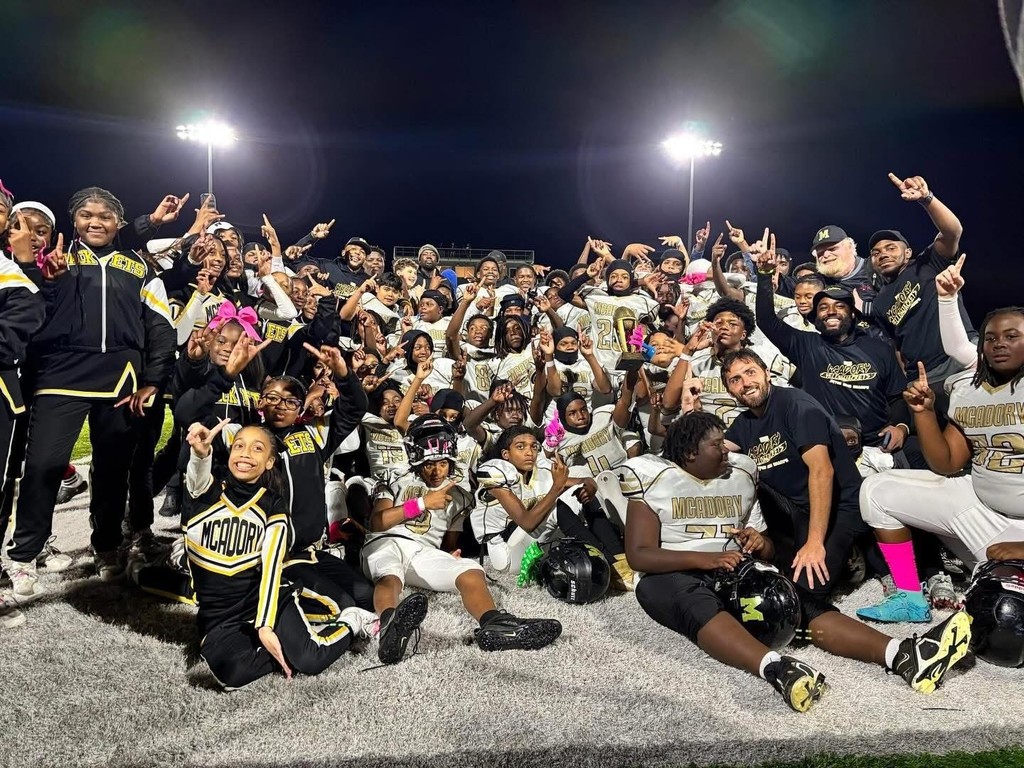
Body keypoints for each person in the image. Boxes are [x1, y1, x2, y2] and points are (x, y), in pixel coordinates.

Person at [719, 349, 973, 694]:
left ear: (766, 372)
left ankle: (906, 650)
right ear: (729, 389)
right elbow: (715, 451)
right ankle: (856, 563)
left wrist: (814, 543)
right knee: (782, 582)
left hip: (842, 506)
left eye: (750, 372)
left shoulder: (796, 404)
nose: (745, 382)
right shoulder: (744, 422)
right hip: (798, 514)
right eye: (735, 379)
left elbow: (821, 472)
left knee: (802, 595)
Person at [6, 187, 177, 592]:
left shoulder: (140, 267)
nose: (95, 222)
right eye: (86, 215)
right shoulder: (56, 257)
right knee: (45, 466)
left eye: (105, 215)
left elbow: (160, 328)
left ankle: (106, 544)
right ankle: (24, 554)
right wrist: (47, 280)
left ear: (118, 223)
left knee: (113, 471)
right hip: (59, 375)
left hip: (121, 380)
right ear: (75, 221)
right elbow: (33, 312)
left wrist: (153, 379)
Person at [622, 412, 830, 712]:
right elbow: (639, 554)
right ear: (691, 451)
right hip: (671, 572)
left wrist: (760, 543)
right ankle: (774, 667)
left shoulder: (740, 476)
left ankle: (896, 652)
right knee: (695, 602)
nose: (726, 451)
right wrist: (705, 560)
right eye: (717, 444)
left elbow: (769, 549)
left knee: (791, 600)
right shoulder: (653, 477)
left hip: (731, 567)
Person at [858, 306, 1024, 620]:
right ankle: (909, 597)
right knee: (876, 491)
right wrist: (923, 413)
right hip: (986, 514)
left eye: (1011, 336)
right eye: (991, 338)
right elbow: (947, 463)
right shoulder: (969, 391)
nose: (999, 344)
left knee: (1006, 631)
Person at [184, 419, 370, 689]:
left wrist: (265, 626)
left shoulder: (273, 504)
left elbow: (272, 567)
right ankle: (289, 641)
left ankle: (353, 621)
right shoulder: (206, 492)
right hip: (220, 617)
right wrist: (200, 455)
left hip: (262, 601)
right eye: (239, 446)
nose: (246, 453)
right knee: (230, 676)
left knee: (311, 659)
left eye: (257, 449)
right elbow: (197, 479)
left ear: (270, 462)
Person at [364, 417, 562, 663]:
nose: (437, 471)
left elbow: (448, 542)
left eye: (443, 463)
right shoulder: (395, 478)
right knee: (390, 576)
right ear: (416, 459)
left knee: (470, 569)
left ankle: (494, 623)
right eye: (429, 464)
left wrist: (449, 556)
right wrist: (423, 503)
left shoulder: (459, 495)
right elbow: (377, 522)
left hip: (422, 552)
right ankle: (390, 625)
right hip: (386, 541)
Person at [865, 173, 972, 402]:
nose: (883, 253)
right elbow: (897, 346)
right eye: (876, 253)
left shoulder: (927, 264)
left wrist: (927, 199)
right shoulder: (879, 303)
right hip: (924, 377)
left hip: (962, 359)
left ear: (908, 252)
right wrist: (907, 380)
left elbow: (953, 231)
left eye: (891, 248)